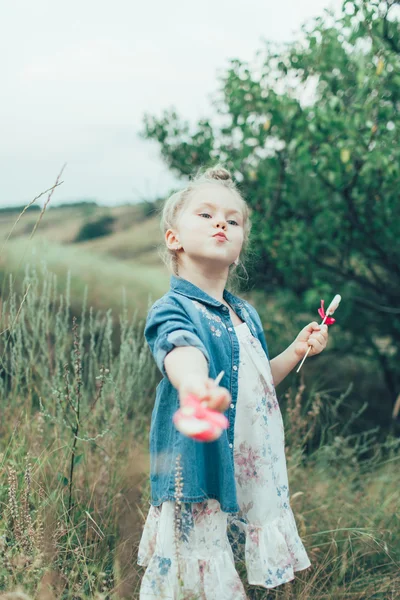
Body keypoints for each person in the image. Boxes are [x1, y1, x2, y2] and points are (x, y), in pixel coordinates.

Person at [137, 165, 329, 599]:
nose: (221, 222)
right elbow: (180, 352)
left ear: (239, 248)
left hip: (252, 464)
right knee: (197, 572)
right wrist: (196, 387)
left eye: (233, 218)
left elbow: (256, 387)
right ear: (174, 238)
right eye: (205, 215)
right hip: (202, 467)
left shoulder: (246, 314)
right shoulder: (174, 309)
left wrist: (294, 352)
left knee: (241, 570)